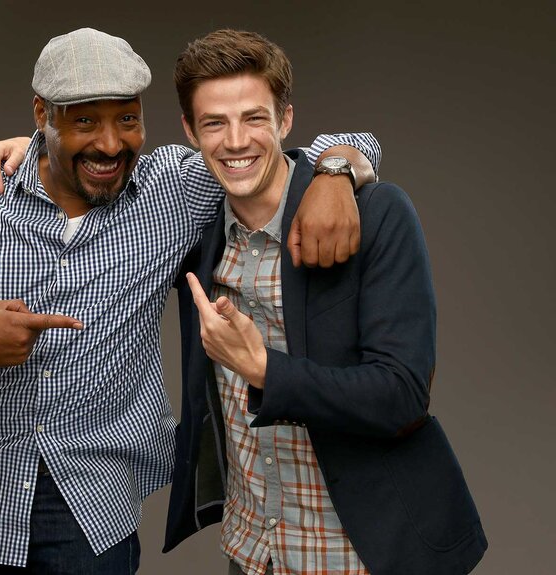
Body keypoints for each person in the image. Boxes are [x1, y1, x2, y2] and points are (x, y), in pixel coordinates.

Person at [0, 28, 380, 574]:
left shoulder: (171, 189)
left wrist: (333, 175)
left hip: (94, 512)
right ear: (41, 115)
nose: (109, 143)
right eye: (83, 122)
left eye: (126, 119)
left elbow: (280, 154)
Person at [158, 30, 486, 574]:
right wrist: (22, 150)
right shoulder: (192, 227)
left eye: (255, 118)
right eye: (215, 123)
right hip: (252, 550)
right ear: (191, 131)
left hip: (360, 553)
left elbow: (403, 395)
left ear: (286, 120)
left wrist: (264, 369)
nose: (236, 141)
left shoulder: (376, 214)